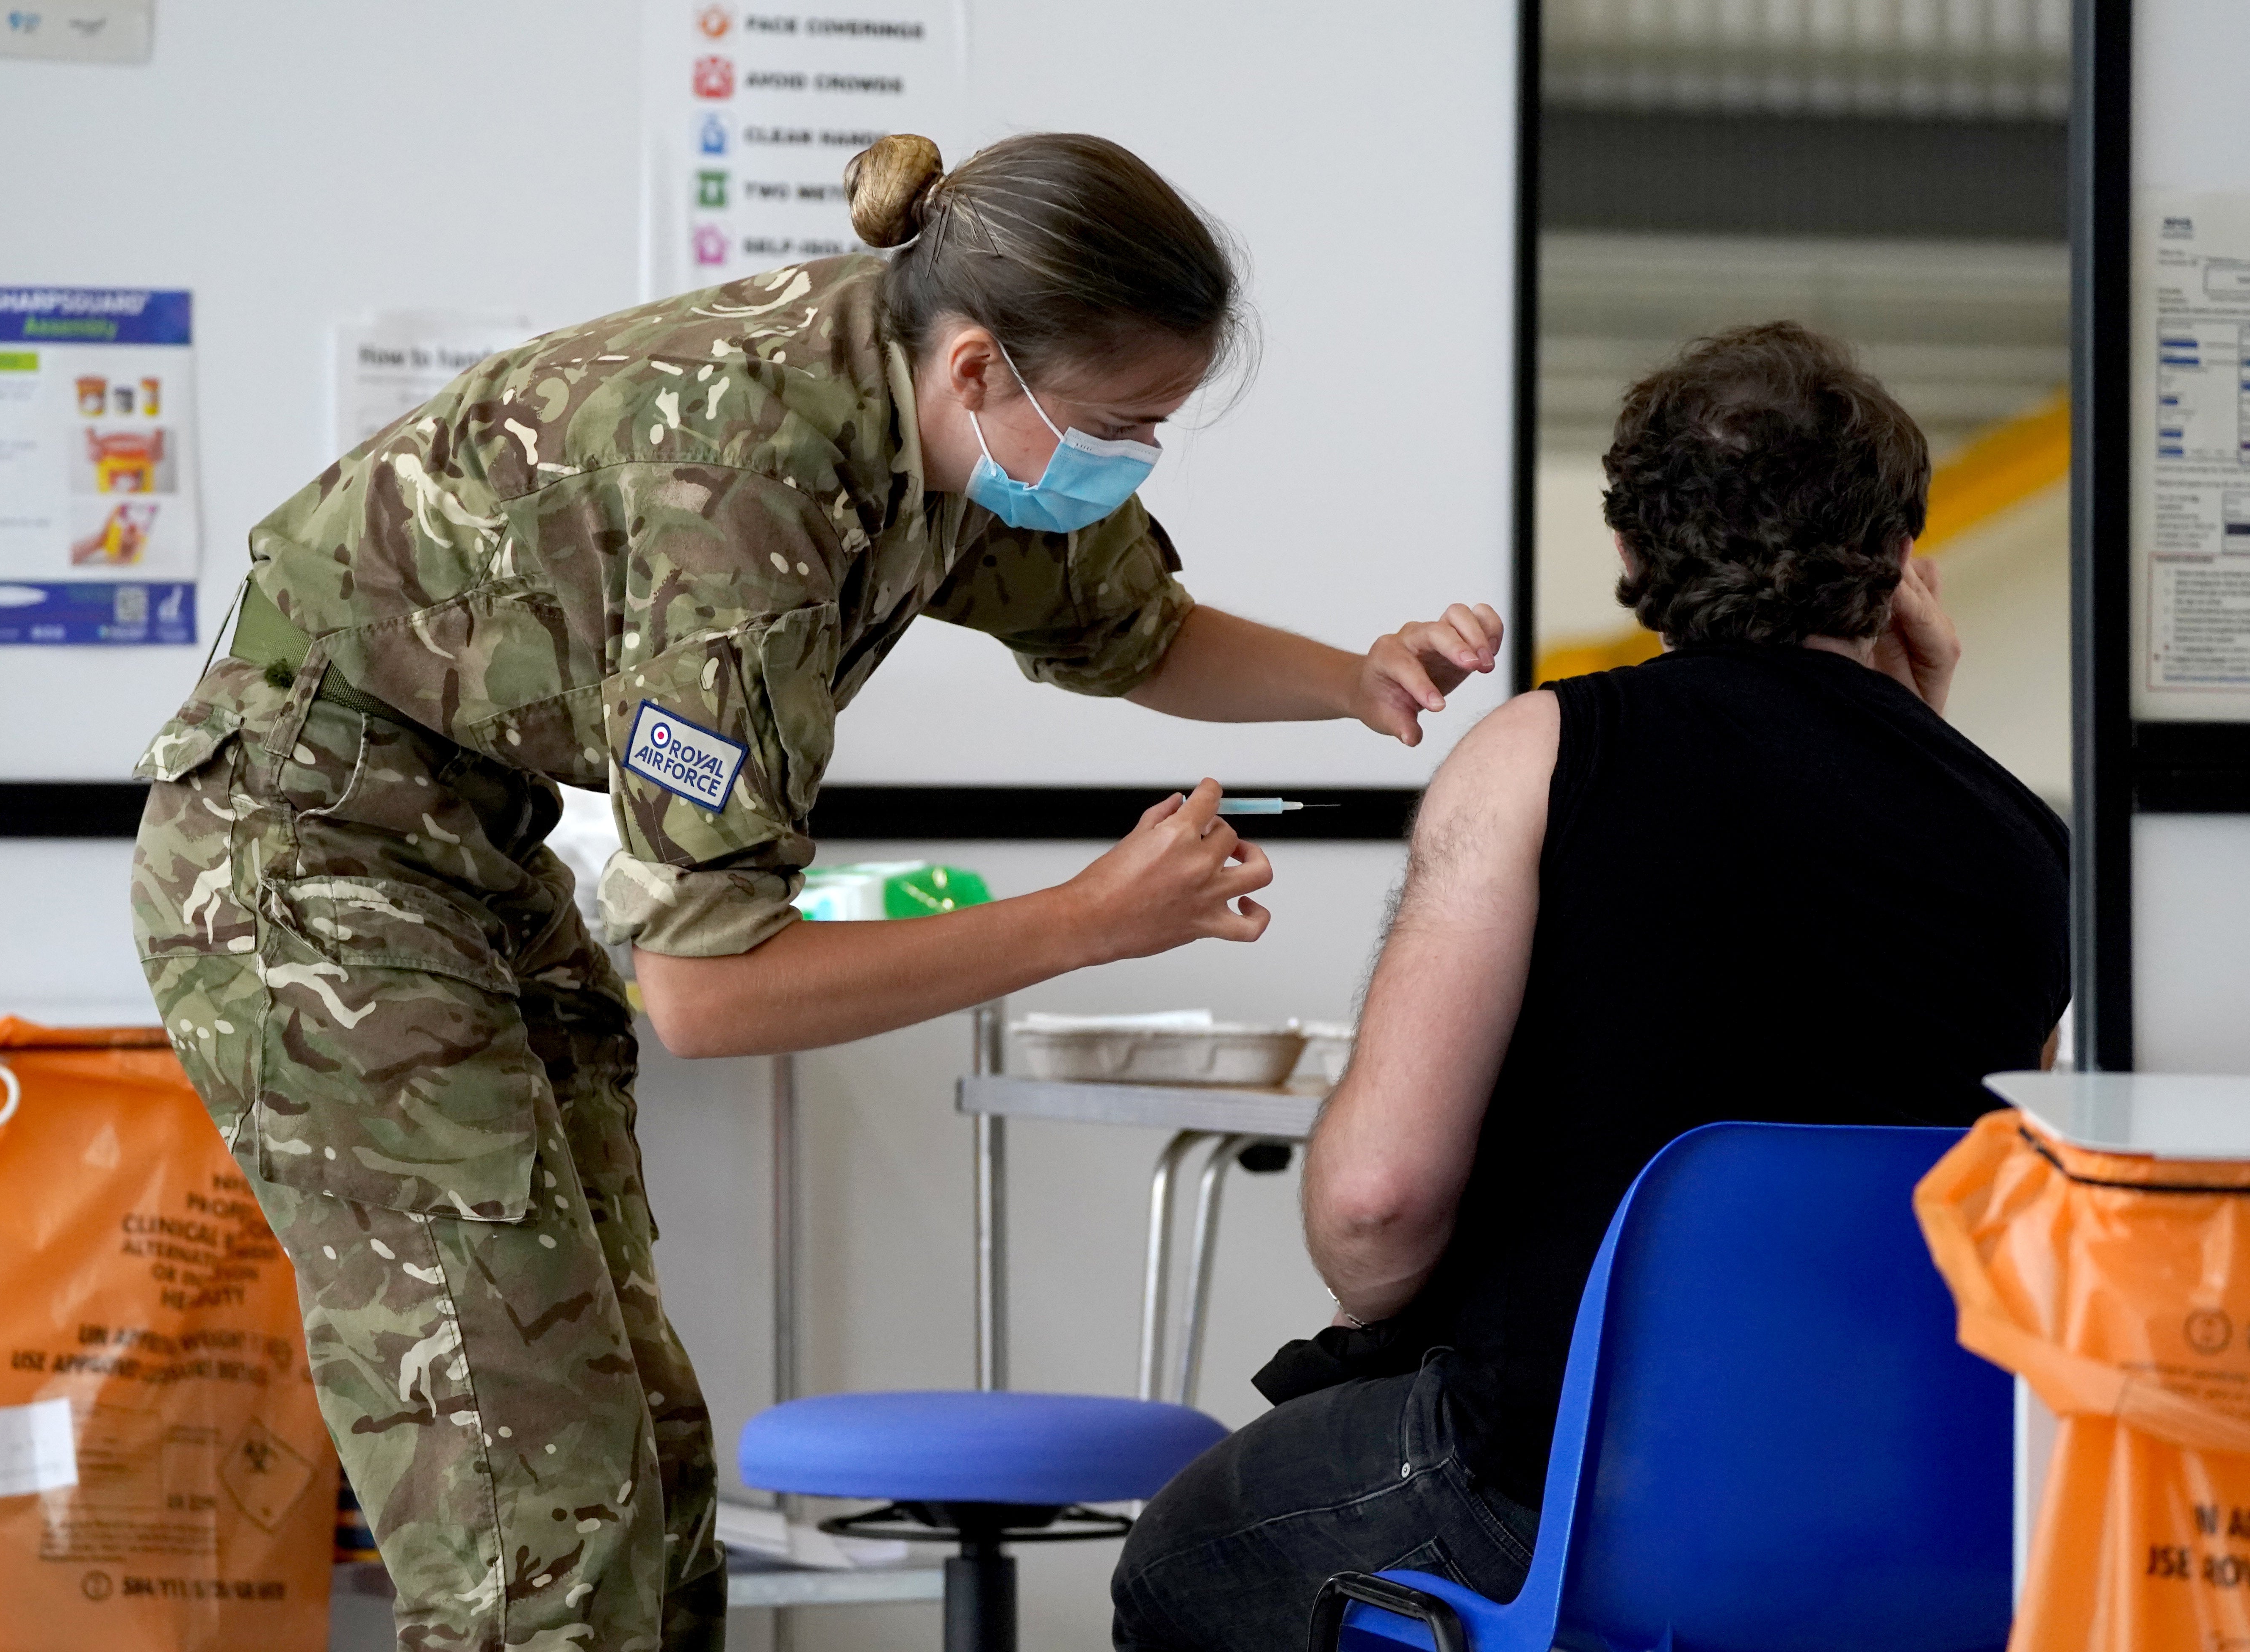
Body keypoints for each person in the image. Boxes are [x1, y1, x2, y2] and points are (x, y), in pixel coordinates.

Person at [128, 131, 1503, 1652]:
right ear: (982, 367)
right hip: (305, 863)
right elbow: (712, 996)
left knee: (638, 1462)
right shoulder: (746, 502)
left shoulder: (936, 402)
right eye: (1123, 425)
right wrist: (1089, 919)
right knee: (529, 1499)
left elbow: (1134, 633)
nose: (1136, 462)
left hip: (468, 846)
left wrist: (1356, 681)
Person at [1108, 321, 2071, 1650]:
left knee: (1178, 1559)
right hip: (1927, 1508)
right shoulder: (2022, 836)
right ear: (1905, 564)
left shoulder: (1550, 752)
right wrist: (1922, 731)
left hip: (1572, 1486)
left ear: (1628, 554)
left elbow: (1377, 1215)